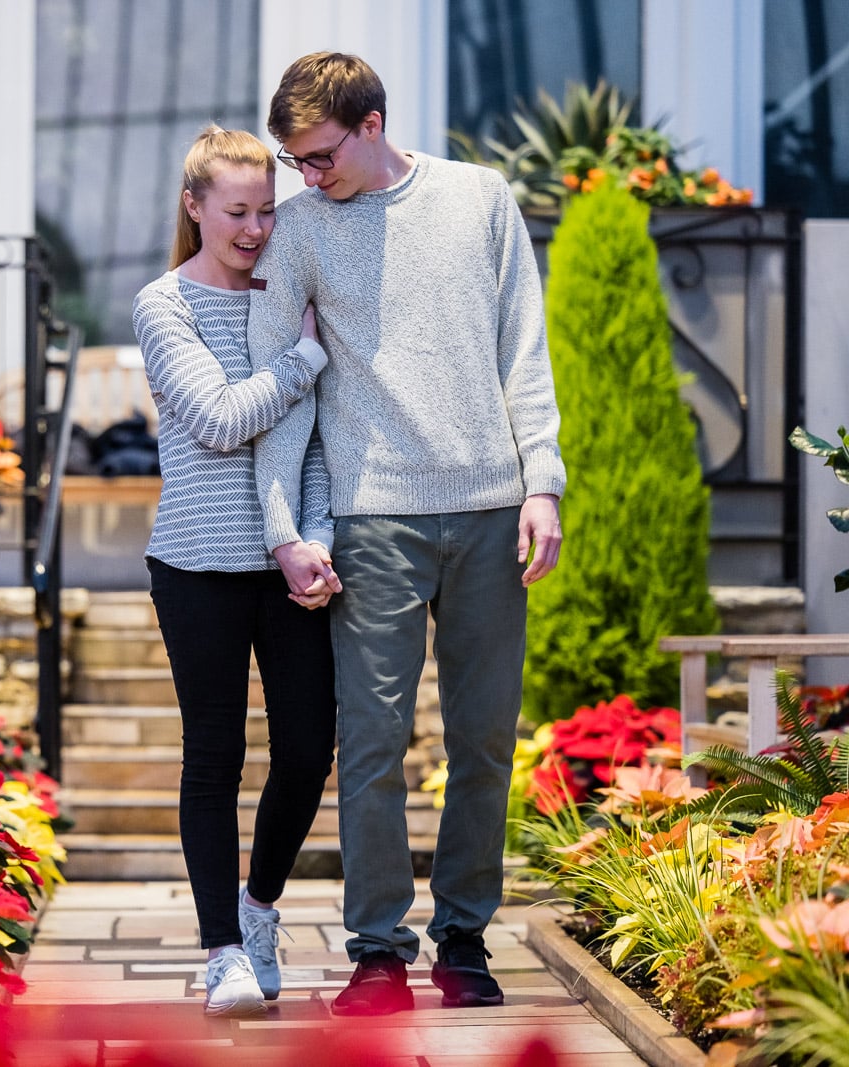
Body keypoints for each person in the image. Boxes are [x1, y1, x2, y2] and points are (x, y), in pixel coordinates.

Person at [247, 53, 566, 1017]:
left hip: (486, 508)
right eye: (295, 160)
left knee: (481, 738)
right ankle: (377, 952)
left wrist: (541, 482)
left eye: (320, 155)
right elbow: (283, 394)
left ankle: (463, 939)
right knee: (374, 738)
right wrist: (284, 530)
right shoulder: (300, 231)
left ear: (373, 124)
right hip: (373, 516)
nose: (307, 176)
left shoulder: (480, 198)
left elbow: (525, 347)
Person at [131, 125, 340, 1019]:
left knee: (305, 748)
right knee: (213, 756)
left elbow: (313, 443)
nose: (255, 229)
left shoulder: (282, 297)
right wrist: (302, 357)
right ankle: (222, 950)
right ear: (195, 206)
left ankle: (260, 908)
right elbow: (217, 420)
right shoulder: (163, 305)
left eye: (266, 210)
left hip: (290, 564)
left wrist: (319, 536)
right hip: (195, 565)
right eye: (237, 211)